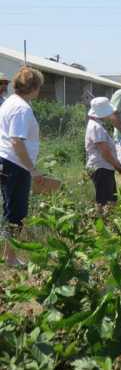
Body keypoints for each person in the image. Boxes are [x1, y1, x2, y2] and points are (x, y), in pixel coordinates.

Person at [0, 67, 44, 267]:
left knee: (11, 209)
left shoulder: (11, 101)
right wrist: (32, 169)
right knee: (16, 212)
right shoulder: (21, 108)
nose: (39, 91)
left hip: (9, 162)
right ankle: (9, 257)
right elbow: (16, 140)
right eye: (39, 87)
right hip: (15, 164)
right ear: (33, 87)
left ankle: (8, 254)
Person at [85, 97, 121, 213]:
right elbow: (105, 152)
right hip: (101, 168)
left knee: (111, 201)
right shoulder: (96, 127)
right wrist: (118, 166)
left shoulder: (97, 126)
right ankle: (100, 227)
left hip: (105, 168)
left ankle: (106, 225)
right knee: (104, 203)